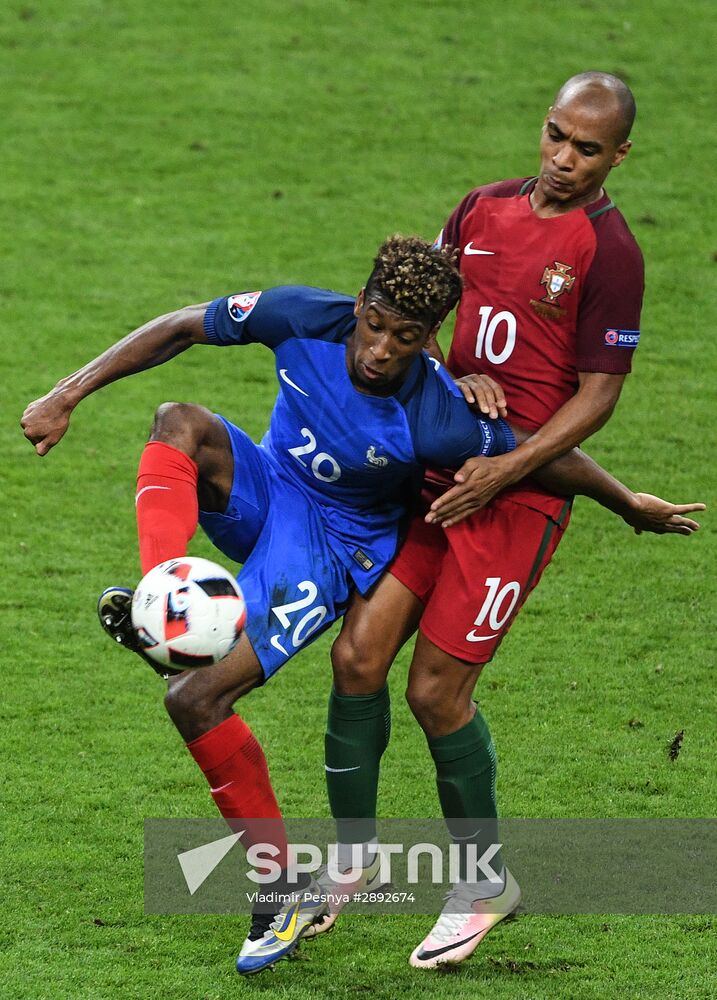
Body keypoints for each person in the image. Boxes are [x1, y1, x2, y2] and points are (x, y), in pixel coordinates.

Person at [21, 236, 700, 976]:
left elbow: (542, 454)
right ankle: (164, 596)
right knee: (179, 419)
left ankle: (279, 886)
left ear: (426, 339)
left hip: (332, 546)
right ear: (359, 305)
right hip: (268, 488)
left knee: (194, 699)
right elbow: (185, 325)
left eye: (405, 339)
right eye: (374, 325)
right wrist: (66, 393)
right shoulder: (301, 316)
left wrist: (627, 502)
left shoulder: (439, 413)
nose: (380, 350)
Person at [313, 72, 706, 969]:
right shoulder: (478, 210)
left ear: (619, 157)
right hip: (439, 474)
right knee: (356, 658)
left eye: (588, 148)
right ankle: (348, 861)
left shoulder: (610, 254)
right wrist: (449, 388)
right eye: (556, 136)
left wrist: (508, 468)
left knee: (434, 693)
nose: (564, 159)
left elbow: (598, 396)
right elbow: (422, 319)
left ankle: (483, 884)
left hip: (519, 497)